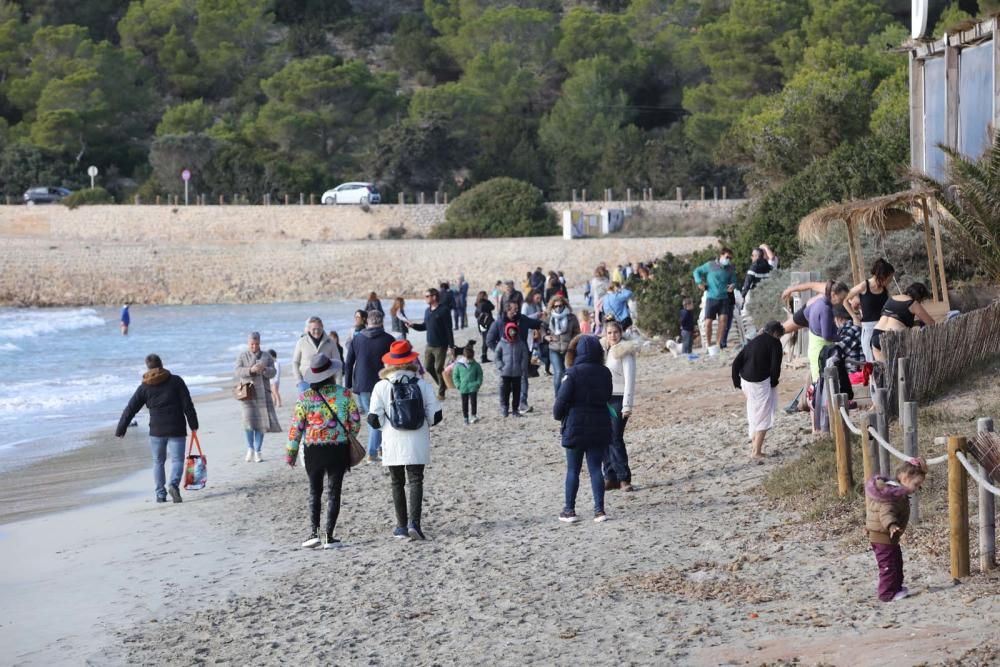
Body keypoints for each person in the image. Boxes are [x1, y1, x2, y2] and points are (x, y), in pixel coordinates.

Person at [367, 340, 443, 540]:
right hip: (417, 440)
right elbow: (435, 416)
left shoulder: (381, 386)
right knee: (416, 480)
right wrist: (422, 423)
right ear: (411, 360)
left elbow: (374, 419)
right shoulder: (422, 384)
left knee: (397, 481)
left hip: (392, 441)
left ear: (390, 362)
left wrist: (386, 425)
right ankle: (415, 524)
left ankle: (401, 526)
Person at [285, 352, 361, 549]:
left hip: (313, 450)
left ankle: (313, 533)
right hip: (338, 449)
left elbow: (296, 428)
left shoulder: (305, 398)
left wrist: (291, 454)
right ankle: (329, 536)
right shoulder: (344, 394)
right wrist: (343, 435)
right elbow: (355, 422)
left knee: (314, 491)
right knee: (334, 491)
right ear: (331, 374)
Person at [115, 353, 199, 503]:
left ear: (148, 367)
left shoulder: (144, 387)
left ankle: (160, 494)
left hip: (156, 431)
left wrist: (121, 428)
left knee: (158, 461)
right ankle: (173, 485)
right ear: (162, 364)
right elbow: (187, 404)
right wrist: (194, 425)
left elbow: (131, 408)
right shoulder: (176, 381)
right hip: (176, 427)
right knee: (177, 460)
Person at [553, 335, 612, 523]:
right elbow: (607, 395)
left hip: (575, 426)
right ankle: (599, 511)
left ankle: (569, 510)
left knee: (573, 470)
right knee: (596, 469)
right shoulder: (605, 372)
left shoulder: (572, 373)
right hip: (599, 425)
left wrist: (559, 415)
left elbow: (560, 403)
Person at [865, 457, 928, 601]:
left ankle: (897, 588)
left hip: (889, 537)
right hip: (883, 535)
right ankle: (886, 594)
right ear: (905, 478)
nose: (917, 489)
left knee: (896, 561)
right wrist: (891, 525)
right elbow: (886, 512)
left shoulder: (896, 492)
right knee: (887, 565)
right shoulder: (892, 494)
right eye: (916, 484)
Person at [344, 310, 396, 462]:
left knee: (373, 416)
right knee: (379, 417)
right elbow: (394, 363)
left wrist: (348, 385)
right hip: (383, 383)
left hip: (362, 383)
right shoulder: (389, 339)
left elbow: (348, 363)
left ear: (368, 322)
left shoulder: (357, 339)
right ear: (382, 322)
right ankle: (374, 452)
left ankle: (378, 449)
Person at [731, 321, 784, 460]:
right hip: (759, 382)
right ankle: (756, 452)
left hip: (745, 380)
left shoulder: (754, 341)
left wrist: (737, 382)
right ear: (776, 333)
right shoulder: (775, 343)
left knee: (753, 410)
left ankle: (755, 443)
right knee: (764, 414)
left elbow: (736, 362)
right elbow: (775, 368)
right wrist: (773, 383)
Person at [486, 300, 544, 412]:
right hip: (506, 360)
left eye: (518, 309)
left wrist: (544, 326)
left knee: (523, 379)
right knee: (505, 383)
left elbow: (537, 323)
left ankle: (523, 403)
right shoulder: (498, 323)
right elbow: (489, 340)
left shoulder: (522, 319)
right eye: (514, 310)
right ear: (507, 310)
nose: (516, 312)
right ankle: (504, 405)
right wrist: (499, 352)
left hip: (522, 356)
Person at [602, 320, 638, 491]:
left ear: (620, 333)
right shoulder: (603, 351)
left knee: (615, 437)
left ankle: (624, 478)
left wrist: (627, 405)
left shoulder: (625, 352)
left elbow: (630, 379)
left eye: (615, 332)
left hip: (618, 399)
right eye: (609, 333)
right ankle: (610, 476)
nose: (612, 336)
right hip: (604, 399)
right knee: (603, 438)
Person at [235, 331, 281, 462]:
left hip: (263, 394)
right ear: (248, 343)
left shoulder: (266, 356)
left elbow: (273, 372)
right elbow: (237, 371)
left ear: (259, 342)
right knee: (248, 423)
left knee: (261, 423)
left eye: (256, 344)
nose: (254, 346)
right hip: (247, 394)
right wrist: (250, 370)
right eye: (251, 344)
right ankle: (250, 448)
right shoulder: (242, 355)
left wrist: (264, 370)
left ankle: (258, 450)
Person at [843, 259, 895, 362]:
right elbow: (844, 299)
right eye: (889, 278)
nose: (890, 281)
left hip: (884, 327)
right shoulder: (864, 286)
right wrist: (854, 316)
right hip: (869, 329)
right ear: (882, 276)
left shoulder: (884, 289)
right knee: (872, 362)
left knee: (886, 361)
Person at [407, 287, 455, 400]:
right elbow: (425, 326)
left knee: (439, 368)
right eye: (425, 296)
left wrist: (451, 346)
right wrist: (413, 325)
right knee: (428, 367)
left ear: (434, 296)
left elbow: (449, 329)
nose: (425, 298)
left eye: (427, 296)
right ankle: (442, 384)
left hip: (441, 345)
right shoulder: (427, 311)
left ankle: (441, 393)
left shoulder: (444, 310)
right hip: (429, 345)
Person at [871, 282, 935, 362]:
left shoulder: (891, 298)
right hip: (893, 337)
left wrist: (916, 323)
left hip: (876, 334)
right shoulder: (912, 303)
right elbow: (931, 323)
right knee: (898, 369)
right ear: (919, 297)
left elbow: (895, 318)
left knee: (882, 368)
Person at [692, 248, 737, 348]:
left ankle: (718, 344)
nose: (728, 259)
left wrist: (733, 285)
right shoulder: (710, 265)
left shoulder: (730, 268)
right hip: (711, 297)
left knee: (723, 320)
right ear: (721, 255)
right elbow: (696, 271)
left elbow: (733, 280)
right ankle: (708, 344)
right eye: (727, 257)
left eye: (730, 258)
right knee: (708, 322)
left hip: (724, 298)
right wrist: (699, 282)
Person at [292, 317, 341, 392]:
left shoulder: (331, 342)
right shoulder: (301, 342)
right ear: (308, 329)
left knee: (326, 404)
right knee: (306, 404)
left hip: (327, 383)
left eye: (319, 328)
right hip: (306, 383)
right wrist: (299, 381)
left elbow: (338, 364)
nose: (316, 331)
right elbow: (295, 362)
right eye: (313, 329)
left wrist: (338, 384)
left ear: (322, 327)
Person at [544, 295, 581, 394]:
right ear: (552, 307)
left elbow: (577, 332)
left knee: (568, 373)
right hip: (554, 349)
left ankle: (567, 396)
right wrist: (545, 336)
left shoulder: (571, 318)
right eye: (555, 306)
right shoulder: (549, 317)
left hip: (568, 349)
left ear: (565, 305)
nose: (558, 308)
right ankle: (558, 398)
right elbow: (541, 328)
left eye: (560, 305)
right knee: (558, 372)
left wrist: (573, 343)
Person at [495, 322, 528, 417]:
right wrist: (500, 366)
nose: (512, 332)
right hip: (505, 372)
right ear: (506, 331)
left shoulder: (520, 343)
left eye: (514, 330)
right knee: (505, 391)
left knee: (517, 392)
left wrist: (522, 367)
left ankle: (515, 410)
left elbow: (524, 356)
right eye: (510, 330)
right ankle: (505, 408)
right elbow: (497, 356)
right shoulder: (501, 343)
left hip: (517, 372)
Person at [452, 345, 483, 424]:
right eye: (467, 358)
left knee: (473, 402)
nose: (469, 360)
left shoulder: (476, 365)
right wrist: (458, 385)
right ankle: (465, 418)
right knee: (464, 403)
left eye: (471, 358)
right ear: (463, 356)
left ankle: (473, 415)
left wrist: (478, 383)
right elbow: (455, 376)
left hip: (473, 387)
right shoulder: (458, 365)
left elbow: (480, 374)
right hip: (463, 387)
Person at [474, 291, 495, 362]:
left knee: (484, 340)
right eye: (486, 295)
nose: (487, 296)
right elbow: (493, 307)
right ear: (484, 296)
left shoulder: (478, 304)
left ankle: (484, 356)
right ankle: (484, 356)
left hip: (481, 325)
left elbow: (476, 315)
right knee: (488, 340)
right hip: (487, 324)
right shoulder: (485, 303)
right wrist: (488, 301)